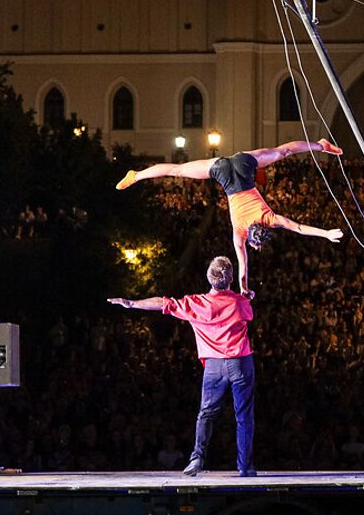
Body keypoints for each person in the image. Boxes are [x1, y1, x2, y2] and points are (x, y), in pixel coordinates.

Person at [116, 139, 345, 294]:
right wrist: (244, 291)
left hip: (243, 165)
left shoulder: (270, 218)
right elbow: (242, 266)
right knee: (178, 170)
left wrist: (326, 233)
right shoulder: (239, 233)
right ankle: (137, 176)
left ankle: (320, 145)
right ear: (252, 238)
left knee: (283, 151)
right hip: (223, 172)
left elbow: (299, 227)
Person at [108, 255, 257, 477]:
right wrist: (246, 296)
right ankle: (245, 467)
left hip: (214, 367)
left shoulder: (196, 304)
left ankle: (197, 458)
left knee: (206, 413)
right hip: (240, 364)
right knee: (243, 416)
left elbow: (163, 303)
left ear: (209, 278)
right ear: (231, 278)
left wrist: (132, 303)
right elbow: (247, 311)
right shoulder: (239, 303)